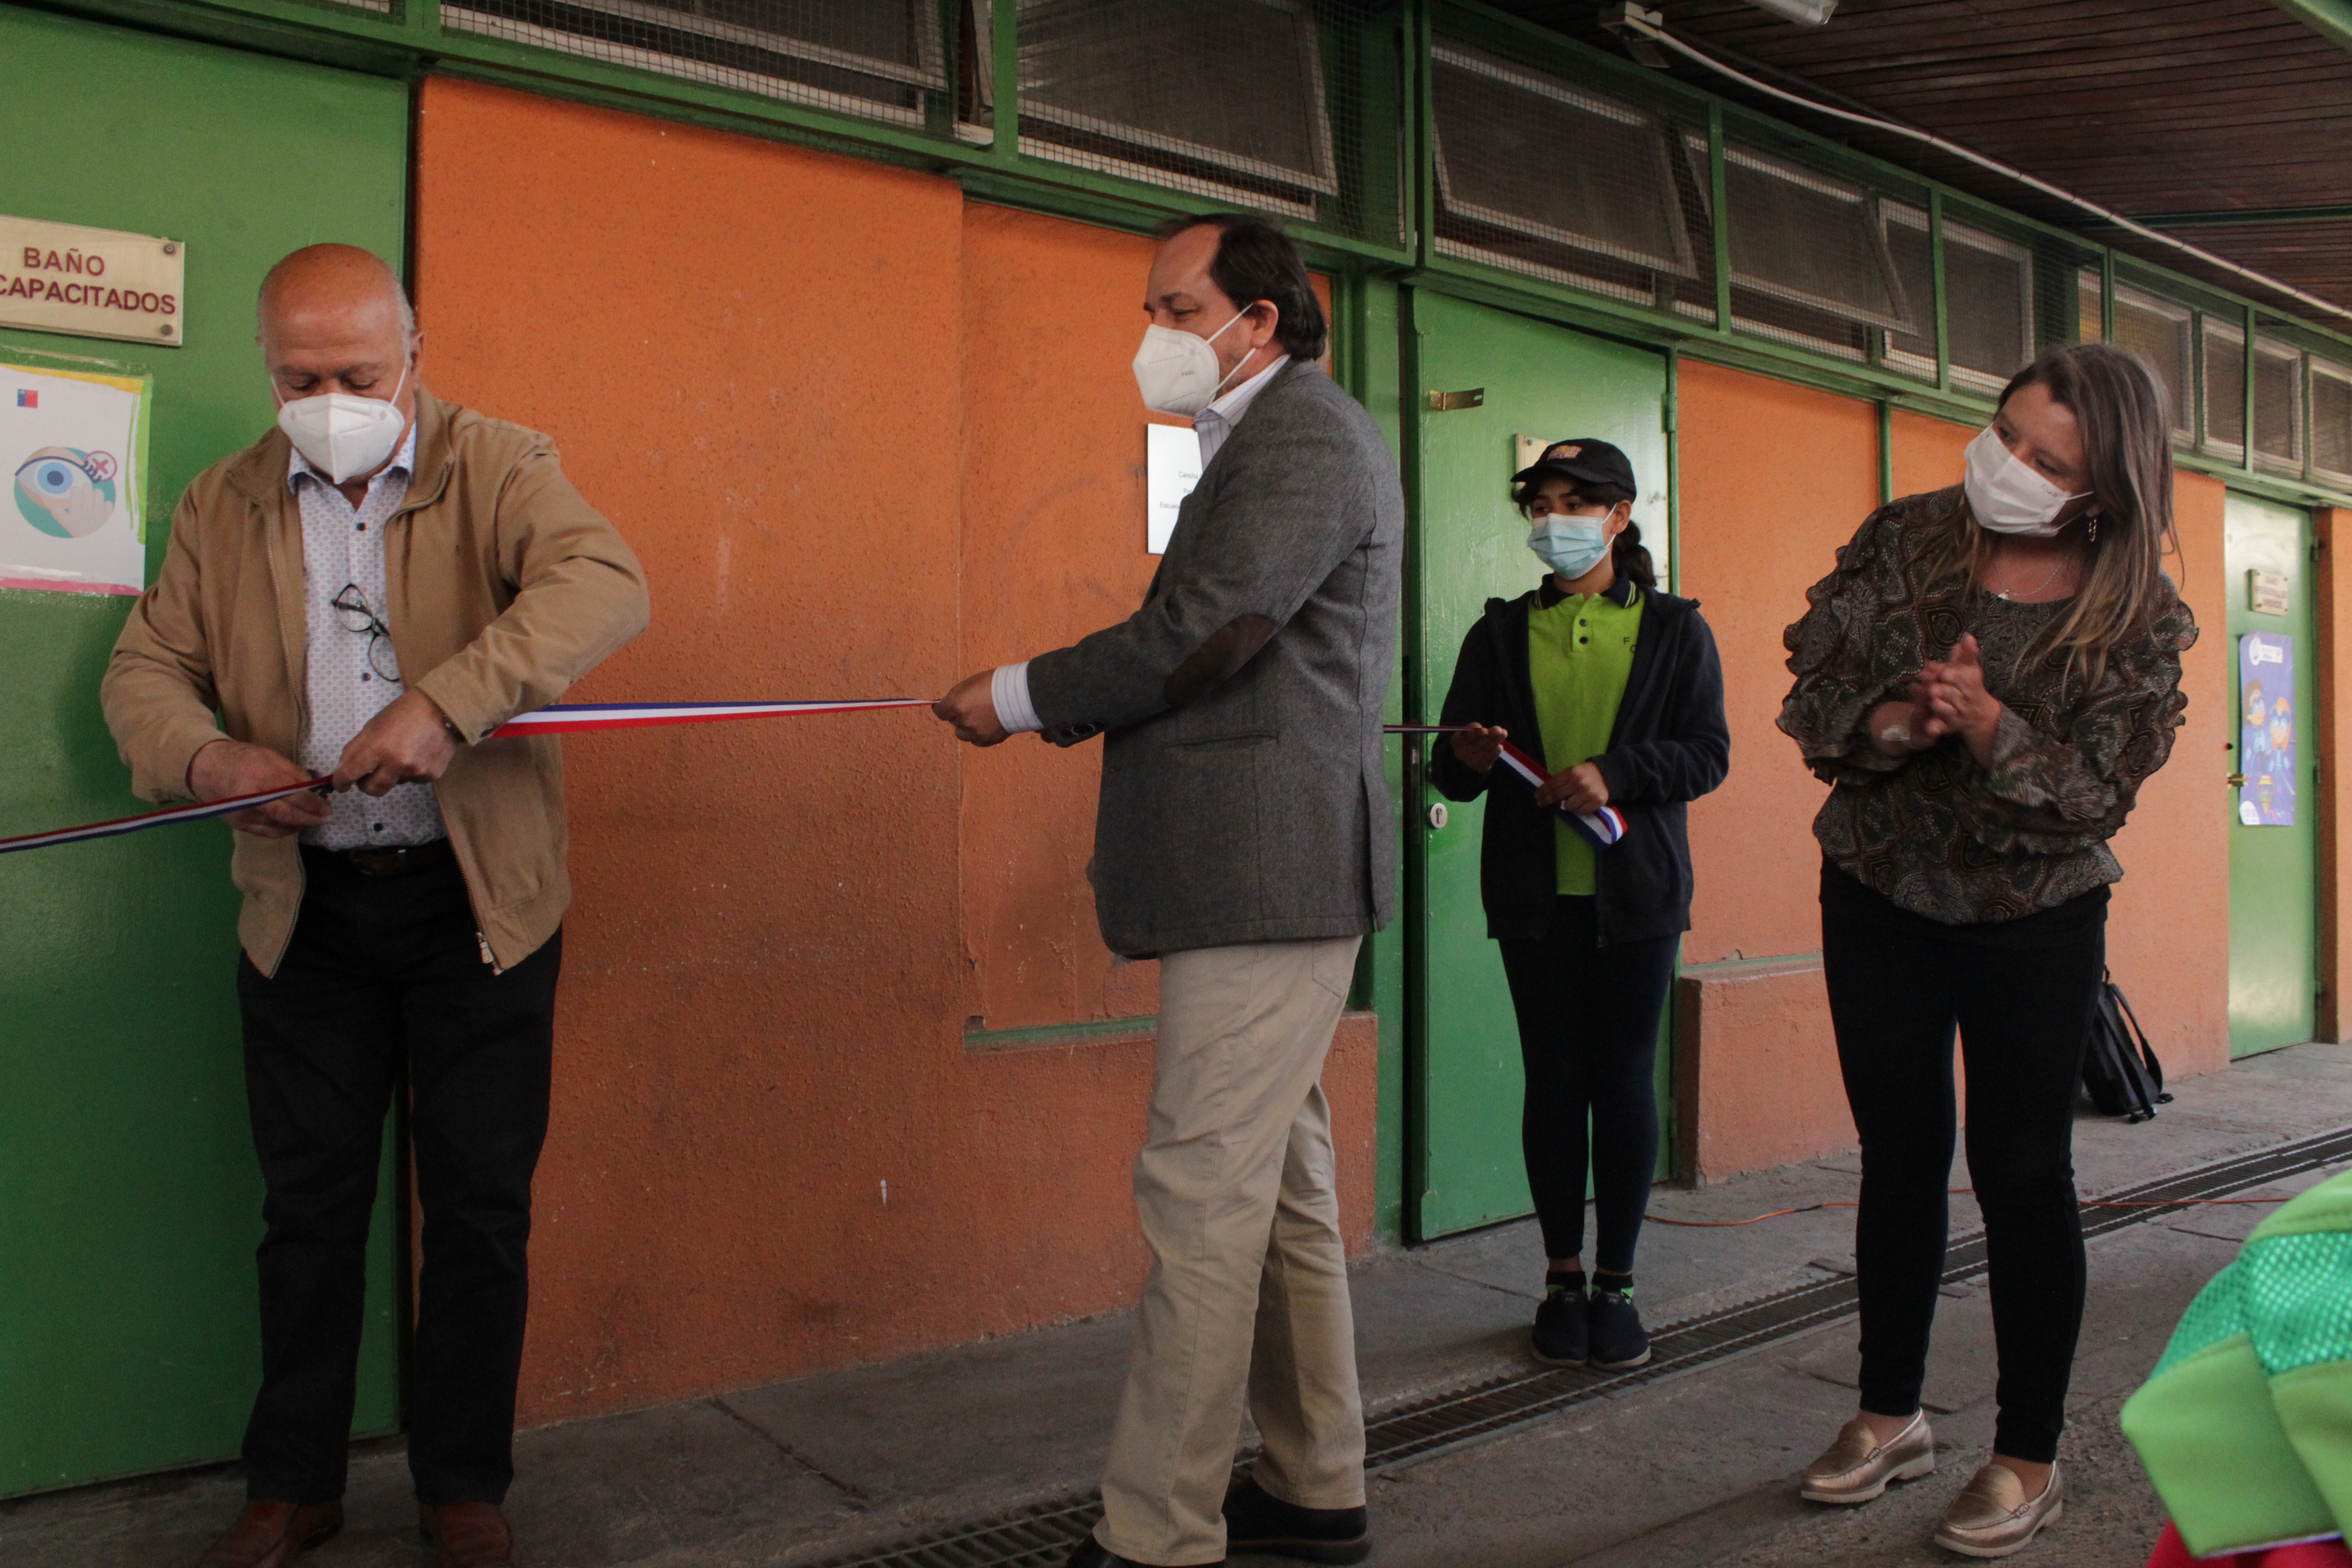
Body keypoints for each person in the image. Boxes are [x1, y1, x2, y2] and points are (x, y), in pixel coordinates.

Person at [101, 244, 650, 1568]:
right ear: (267, 368)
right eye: (301, 376)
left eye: (359, 372)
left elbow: (606, 585)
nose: (330, 397)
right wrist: (207, 760)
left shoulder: (500, 463)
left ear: (414, 356)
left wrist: (449, 699)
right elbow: (146, 668)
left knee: (474, 1208)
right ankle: (293, 1483)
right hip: (308, 914)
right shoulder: (222, 501)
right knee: (308, 1212)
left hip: (478, 909)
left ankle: (464, 1485)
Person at [933, 213, 1401, 1568]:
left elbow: (1204, 638)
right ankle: (1318, 1485)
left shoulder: (1306, 438)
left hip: (1268, 876)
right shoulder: (1256, 442)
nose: (1156, 337)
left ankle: (1157, 1535)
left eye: (1176, 308)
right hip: (1259, 876)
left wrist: (1016, 696)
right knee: (1280, 1184)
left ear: (1260, 319)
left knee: (1200, 1197)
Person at [1778, 342, 2196, 1558]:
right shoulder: (1905, 538)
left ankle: (2026, 1455)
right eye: (2005, 433)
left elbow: (2098, 795)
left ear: (2102, 489)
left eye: (2044, 458)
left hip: (2035, 914)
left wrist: (1997, 726)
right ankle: (1888, 1413)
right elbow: (1813, 698)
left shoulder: (2138, 614)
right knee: (1898, 1156)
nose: (2006, 465)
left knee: (2022, 1174)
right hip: (1876, 888)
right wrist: (1902, 723)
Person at [1430, 438, 1727, 1373]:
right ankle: (1561, 1277)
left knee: (1625, 1079)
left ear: (1619, 516)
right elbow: (1450, 767)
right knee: (1554, 1080)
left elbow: (1707, 754)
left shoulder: (1678, 630)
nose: (1555, 520)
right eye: (1541, 504)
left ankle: (1618, 1282)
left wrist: (1619, 773)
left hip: (1637, 897)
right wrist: (1468, 760)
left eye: (1576, 502)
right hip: (1534, 897)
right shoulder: (1499, 632)